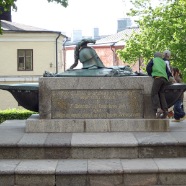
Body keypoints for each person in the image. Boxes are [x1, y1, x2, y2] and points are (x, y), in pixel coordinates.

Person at [146, 52, 175, 119]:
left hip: (158, 78)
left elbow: (148, 68)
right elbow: (168, 72)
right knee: (161, 94)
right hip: (164, 79)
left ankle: (158, 108)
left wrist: (150, 74)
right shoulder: (163, 62)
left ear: (155, 56)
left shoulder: (153, 60)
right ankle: (165, 110)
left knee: (154, 93)